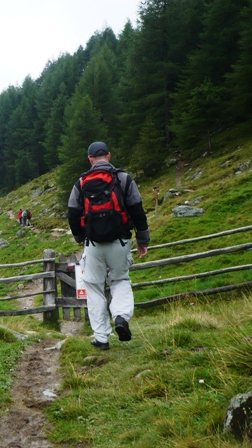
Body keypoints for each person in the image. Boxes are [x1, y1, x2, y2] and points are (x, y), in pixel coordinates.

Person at [67, 141, 150, 350]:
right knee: (120, 280)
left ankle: (101, 337)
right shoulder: (123, 179)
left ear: (90, 159)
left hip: (93, 244)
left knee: (94, 288)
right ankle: (121, 317)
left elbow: (73, 213)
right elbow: (137, 210)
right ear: (109, 156)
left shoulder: (81, 182)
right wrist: (142, 240)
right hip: (120, 241)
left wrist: (79, 237)